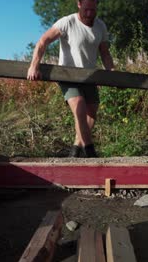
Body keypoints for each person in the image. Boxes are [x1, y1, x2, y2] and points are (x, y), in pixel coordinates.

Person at [27, 0, 115, 158]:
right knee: (79, 105)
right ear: (79, 4)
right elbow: (43, 41)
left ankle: (75, 149)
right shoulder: (67, 22)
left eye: (93, 10)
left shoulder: (100, 26)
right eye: (87, 9)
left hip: (88, 76)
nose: (89, 13)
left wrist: (112, 71)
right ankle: (90, 151)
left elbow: (105, 53)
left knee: (91, 114)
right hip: (67, 75)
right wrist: (34, 65)